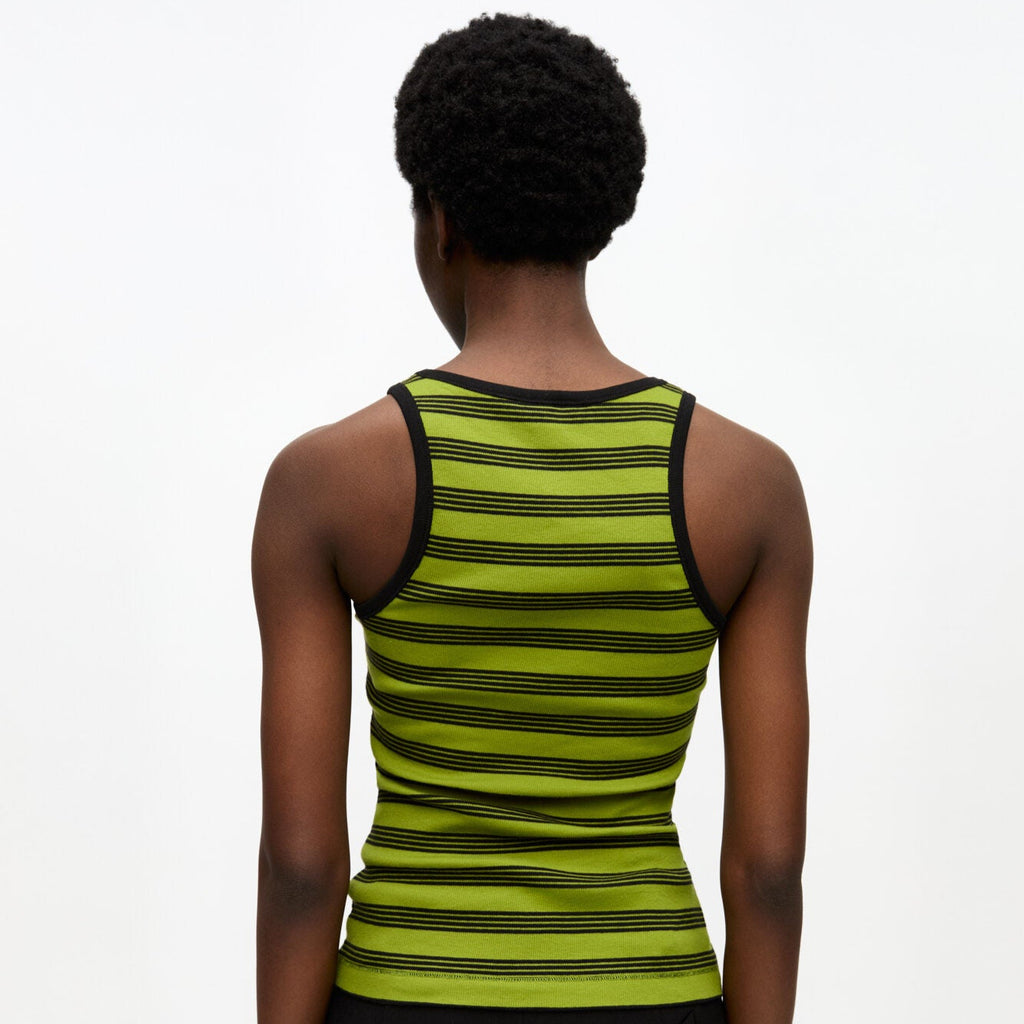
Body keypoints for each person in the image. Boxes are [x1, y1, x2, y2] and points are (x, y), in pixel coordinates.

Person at [252, 13, 811, 1024]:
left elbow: (300, 865)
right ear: (598, 215)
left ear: (441, 221)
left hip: (405, 992)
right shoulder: (747, 484)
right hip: (650, 995)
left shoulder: (324, 481)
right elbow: (767, 868)